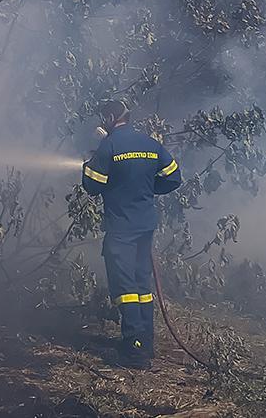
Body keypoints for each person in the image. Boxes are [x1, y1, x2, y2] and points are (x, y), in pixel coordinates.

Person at [81, 99, 182, 368]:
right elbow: (173, 177)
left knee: (125, 289)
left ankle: (134, 351)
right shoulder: (150, 143)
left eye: (105, 116)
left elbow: (92, 184)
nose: (103, 121)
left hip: (121, 229)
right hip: (145, 226)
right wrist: (147, 189)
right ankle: (145, 344)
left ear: (113, 117)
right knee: (141, 286)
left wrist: (89, 161)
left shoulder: (110, 146)